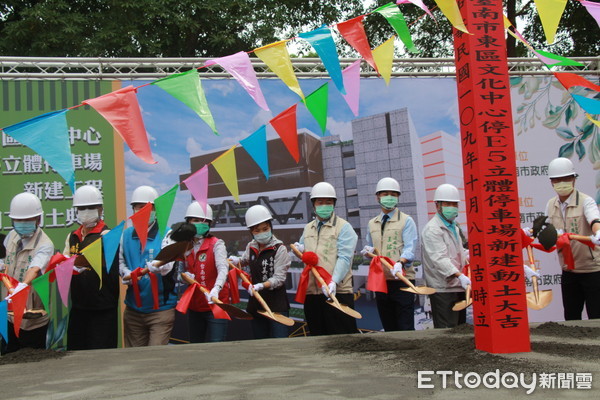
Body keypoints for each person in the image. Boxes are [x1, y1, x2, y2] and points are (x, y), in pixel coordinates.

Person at [294, 182, 358, 336]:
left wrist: (333, 281)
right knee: (318, 337)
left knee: (342, 338)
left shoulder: (344, 227)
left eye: (328, 202)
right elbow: (303, 249)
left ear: (334, 204)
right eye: (320, 202)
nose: (324, 205)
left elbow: (345, 257)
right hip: (313, 293)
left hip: (338, 291)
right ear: (313, 204)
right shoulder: (308, 228)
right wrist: (300, 247)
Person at [119, 186, 177, 347]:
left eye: (147, 207)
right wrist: (127, 274)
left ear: (155, 210)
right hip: (133, 310)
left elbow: (168, 266)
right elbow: (120, 262)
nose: (143, 211)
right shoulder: (126, 235)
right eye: (138, 206)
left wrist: (155, 266)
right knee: (134, 360)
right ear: (133, 209)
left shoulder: (167, 234)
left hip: (160, 311)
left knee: (154, 360)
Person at [63, 185, 120, 350]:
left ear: (101, 209)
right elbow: (65, 262)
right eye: (81, 208)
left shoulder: (108, 235)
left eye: (91, 207)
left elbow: (111, 265)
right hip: (79, 307)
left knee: (101, 358)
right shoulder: (73, 236)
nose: (86, 211)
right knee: (75, 353)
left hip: (103, 308)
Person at [545, 157, 600, 320]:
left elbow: (594, 220)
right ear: (551, 182)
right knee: (571, 318)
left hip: (592, 270)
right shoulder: (550, 204)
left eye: (566, 179)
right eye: (557, 180)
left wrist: (597, 232)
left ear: (574, 180)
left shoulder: (585, 201)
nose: (562, 183)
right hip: (568, 270)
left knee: (596, 318)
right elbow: (546, 230)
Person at [361, 177, 418, 331]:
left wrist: (400, 262)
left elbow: (410, 247)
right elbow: (371, 246)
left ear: (398, 197)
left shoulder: (407, 221)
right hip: (381, 281)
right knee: (388, 325)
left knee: (404, 326)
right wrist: (368, 251)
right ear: (377, 197)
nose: (389, 197)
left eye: (393, 194)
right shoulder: (372, 223)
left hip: (402, 280)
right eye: (385, 193)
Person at [1, 192, 53, 354]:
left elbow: (36, 267)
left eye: (27, 220)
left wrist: (22, 285)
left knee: (33, 362)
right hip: (9, 315)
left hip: (32, 319)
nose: (22, 223)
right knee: (8, 358)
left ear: (38, 219)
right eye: (18, 220)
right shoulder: (11, 236)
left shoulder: (45, 244)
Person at [229, 205, 291, 339]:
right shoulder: (251, 246)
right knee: (261, 345)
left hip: (276, 306)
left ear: (270, 227)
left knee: (280, 347)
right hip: (256, 305)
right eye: (257, 230)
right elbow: (245, 260)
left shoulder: (279, 249)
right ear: (251, 231)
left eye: (265, 229)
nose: (262, 233)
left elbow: (279, 278)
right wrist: (236, 260)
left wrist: (261, 285)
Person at [181, 202, 232, 342]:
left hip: (215, 304)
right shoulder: (185, 246)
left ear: (209, 224)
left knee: (216, 346)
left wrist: (216, 288)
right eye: (195, 220)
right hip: (195, 306)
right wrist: (185, 277)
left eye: (203, 221)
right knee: (196, 346)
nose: (199, 224)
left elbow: (223, 269)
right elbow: (180, 272)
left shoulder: (217, 243)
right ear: (188, 222)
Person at [421, 184, 470, 329]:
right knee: (447, 331)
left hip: (458, 287)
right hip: (443, 288)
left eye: (454, 204)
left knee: (460, 328)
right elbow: (439, 259)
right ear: (438, 206)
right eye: (447, 204)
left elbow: (460, 253)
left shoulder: (454, 227)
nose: (452, 207)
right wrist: (460, 275)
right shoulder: (432, 229)